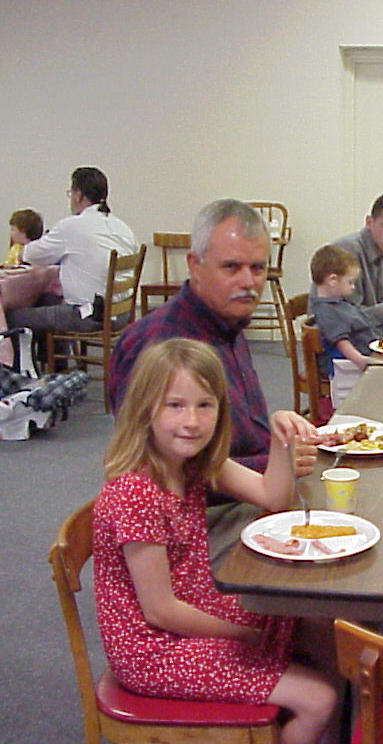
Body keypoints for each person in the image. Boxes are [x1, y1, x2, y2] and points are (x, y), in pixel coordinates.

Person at [94, 338, 338, 744]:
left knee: (315, 619)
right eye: (175, 406)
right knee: (319, 699)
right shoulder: (136, 494)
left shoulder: (193, 462)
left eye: (205, 405)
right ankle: (308, 731)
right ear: (145, 410)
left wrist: (281, 435)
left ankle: (325, 743)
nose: (192, 421)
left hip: (191, 610)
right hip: (152, 651)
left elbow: (272, 496)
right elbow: (160, 612)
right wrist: (245, 635)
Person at [108, 199, 319, 555]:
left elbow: (241, 442)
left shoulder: (227, 323)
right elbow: (156, 472)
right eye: (231, 267)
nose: (248, 282)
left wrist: (281, 447)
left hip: (250, 493)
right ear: (195, 265)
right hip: (193, 525)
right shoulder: (161, 346)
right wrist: (273, 463)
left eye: (257, 268)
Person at [8, 167, 137, 337]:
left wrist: (20, 251)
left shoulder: (72, 226)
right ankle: (56, 354)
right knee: (49, 301)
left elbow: (33, 255)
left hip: (89, 315)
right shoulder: (123, 228)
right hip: (122, 314)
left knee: (12, 317)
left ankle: (29, 356)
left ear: (78, 195)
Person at [310, 244, 383, 372]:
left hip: (372, 351)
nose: (353, 287)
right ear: (332, 280)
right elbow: (341, 342)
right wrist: (361, 361)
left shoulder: (339, 303)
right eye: (350, 282)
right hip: (351, 366)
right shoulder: (327, 311)